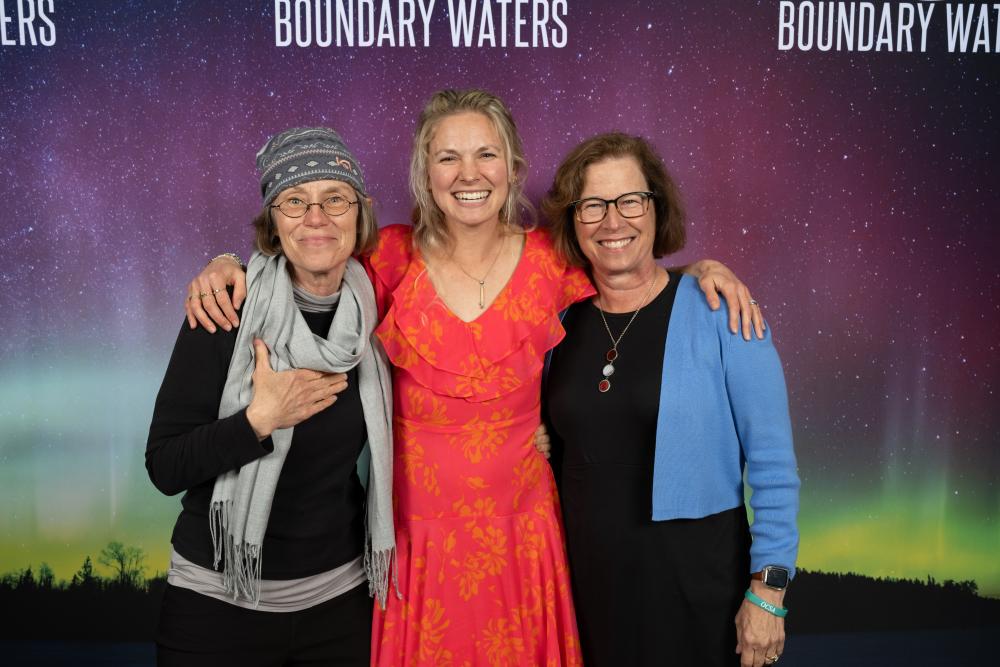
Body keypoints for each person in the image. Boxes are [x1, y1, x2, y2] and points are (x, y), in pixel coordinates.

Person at [184, 90, 763, 666]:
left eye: (486, 155)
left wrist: (699, 271)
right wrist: (228, 262)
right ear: (425, 174)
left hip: (524, 539)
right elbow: (305, 258)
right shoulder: (388, 258)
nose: (469, 174)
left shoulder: (551, 260)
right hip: (418, 542)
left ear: (512, 170)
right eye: (448, 158)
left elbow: (629, 272)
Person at [539, 132, 799, 667]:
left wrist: (768, 591)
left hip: (697, 589)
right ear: (573, 220)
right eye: (593, 205)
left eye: (630, 200)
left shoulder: (724, 313)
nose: (613, 222)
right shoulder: (557, 324)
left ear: (657, 209)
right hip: (587, 590)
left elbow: (773, 464)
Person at [146, 127, 395, 666]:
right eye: (294, 200)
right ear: (273, 222)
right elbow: (165, 466)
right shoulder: (225, 311)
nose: (316, 217)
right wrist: (259, 419)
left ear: (360, 213)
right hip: (217, 610)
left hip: (340, 608)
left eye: (335, 198)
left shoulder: (382, 310)